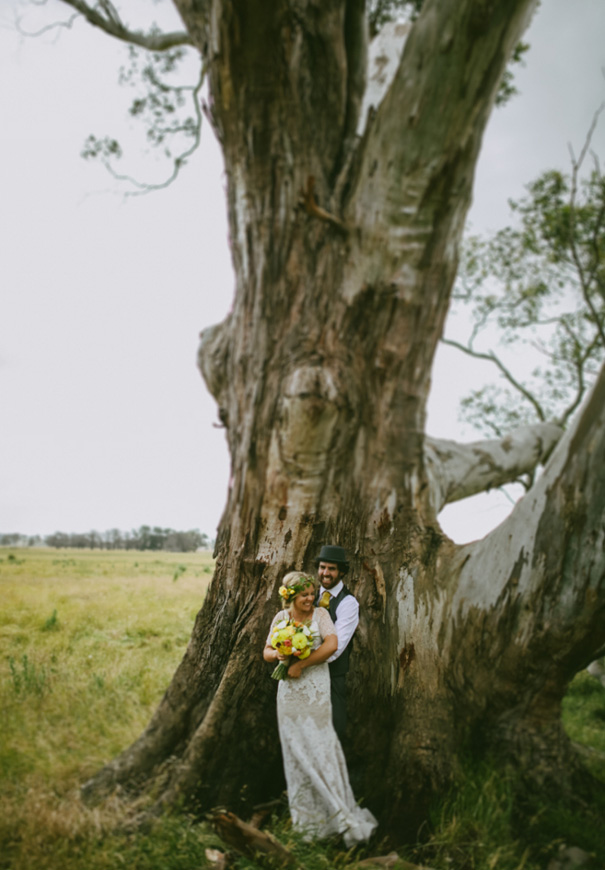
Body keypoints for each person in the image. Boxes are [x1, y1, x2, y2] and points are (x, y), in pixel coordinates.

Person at [264, 571, 377, 847]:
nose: (310, 598)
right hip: (288, 694)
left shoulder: (321, 616)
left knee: (320, 746)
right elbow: (266, 650)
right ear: (290, 596)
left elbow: (332, 644)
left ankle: (337, 813)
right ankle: (309, 822)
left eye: (312, 594)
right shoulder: (281, 619)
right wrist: (279, 655)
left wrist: (303, 663)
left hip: (314, 688)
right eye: (304, 595)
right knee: (295, 751)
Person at [314, 544, 358, 741]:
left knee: (333, 728)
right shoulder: (309, 596)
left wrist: (302, 662)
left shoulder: (348, 603)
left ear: (341, 571)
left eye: (331, 568)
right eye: (322, 567)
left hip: (332, 676)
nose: (325, 573)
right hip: (306, 677)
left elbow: (336, 648)